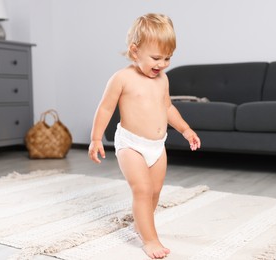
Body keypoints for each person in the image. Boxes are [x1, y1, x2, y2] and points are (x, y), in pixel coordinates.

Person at [88, 13, 201, 259]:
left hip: (157, 146)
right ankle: (150, 239)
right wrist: (96, 138)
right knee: (142, 188)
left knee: (156, 190)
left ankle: (142, 222)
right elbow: (106, 108)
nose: (162, 64)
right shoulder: (122, 78)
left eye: (168, 58)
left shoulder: (163, 79)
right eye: (156, 57)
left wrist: (185, 129)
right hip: (131, 144)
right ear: (135, 51)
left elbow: (168, 107)